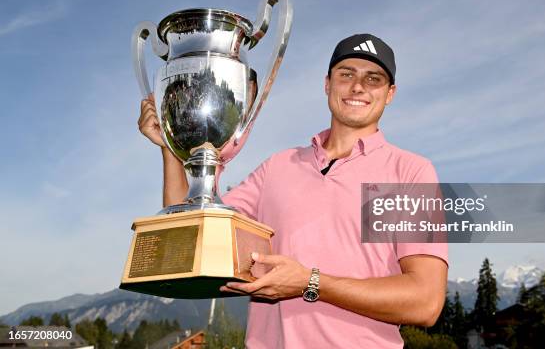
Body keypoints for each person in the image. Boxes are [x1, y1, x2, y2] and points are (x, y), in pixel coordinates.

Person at [138, 33, 448, 348]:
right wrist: (172, 149)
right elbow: (194, 240)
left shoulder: (411, 173)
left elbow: (425, 302)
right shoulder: (278, 167)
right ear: (327, 84)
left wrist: (310, 283)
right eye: (346, 75)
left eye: (373, 79)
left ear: (390, 93)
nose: (358, 87)